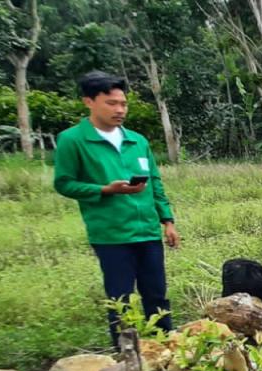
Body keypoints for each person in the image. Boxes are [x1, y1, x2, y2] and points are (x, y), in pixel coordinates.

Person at [54, 71, 179, 346]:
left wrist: (167, 220)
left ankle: (167, 349)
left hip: (146, 230)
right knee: (121, 298)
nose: (120, 109)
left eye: (123, 103)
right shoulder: (73, 140)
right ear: (89, 101)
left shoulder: (137, 141)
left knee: (156, 294)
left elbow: (155, 183)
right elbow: (64, 183)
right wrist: (104, 190)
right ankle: (127, 354)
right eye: (111, 103)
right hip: (111, 235)